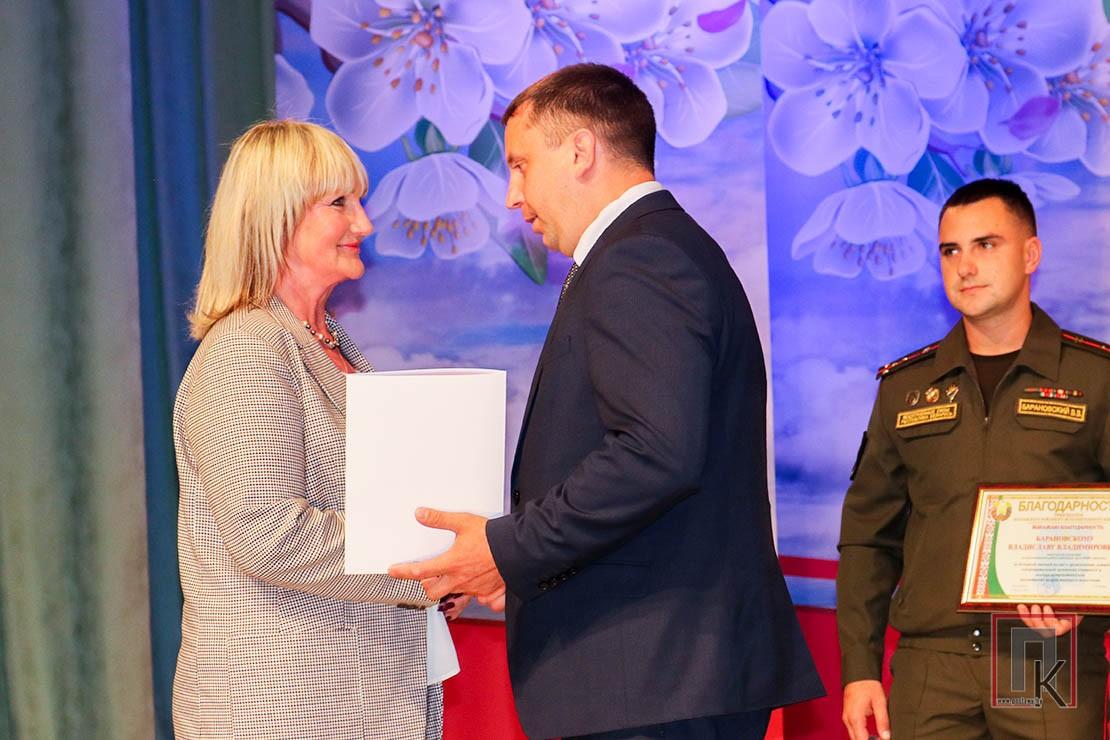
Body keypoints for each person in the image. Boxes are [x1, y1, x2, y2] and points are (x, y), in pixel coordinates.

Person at [388, 63, 823, 739]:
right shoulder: (655, 247)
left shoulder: (639, 258)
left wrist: (506, 548)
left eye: (521, 165)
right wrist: (526, 564)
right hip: (659, 673)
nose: (512, 196)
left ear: (580, 151)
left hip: (654, 676)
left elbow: (654, 454)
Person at [172, 119, 465, 740]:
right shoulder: (247, 348)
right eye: (340, 203)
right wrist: (426, 568)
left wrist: (441, 563)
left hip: (360, 700)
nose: (365, 223)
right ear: (276, 218)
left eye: (360, 201)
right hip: (281, 705)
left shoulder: (334, 346)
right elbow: (267, 535)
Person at [837, 178, 1110, 740]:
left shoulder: (1094, 379)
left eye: (986, 244)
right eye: (950, 250)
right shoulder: (906, 389)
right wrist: (860, 670)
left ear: (1030, 254)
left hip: (1041, 647)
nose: (965, 266)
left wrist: (1087, 597)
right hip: (931, 659)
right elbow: (867, 537)